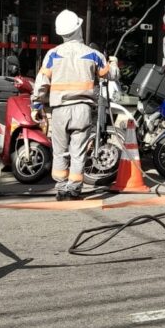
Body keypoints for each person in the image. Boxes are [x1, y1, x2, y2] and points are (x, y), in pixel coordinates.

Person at [32, 10, 116, 201]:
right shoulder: (93, 55)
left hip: (60, 109)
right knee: (78, 152)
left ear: (61, 33)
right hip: (83, 110)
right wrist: (114, 63)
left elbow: (41, 83)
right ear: (79, 28)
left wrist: (36, 106)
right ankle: (74, 190)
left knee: (60, 151)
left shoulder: (52, 55)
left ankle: (61, 189)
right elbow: (110, 75)